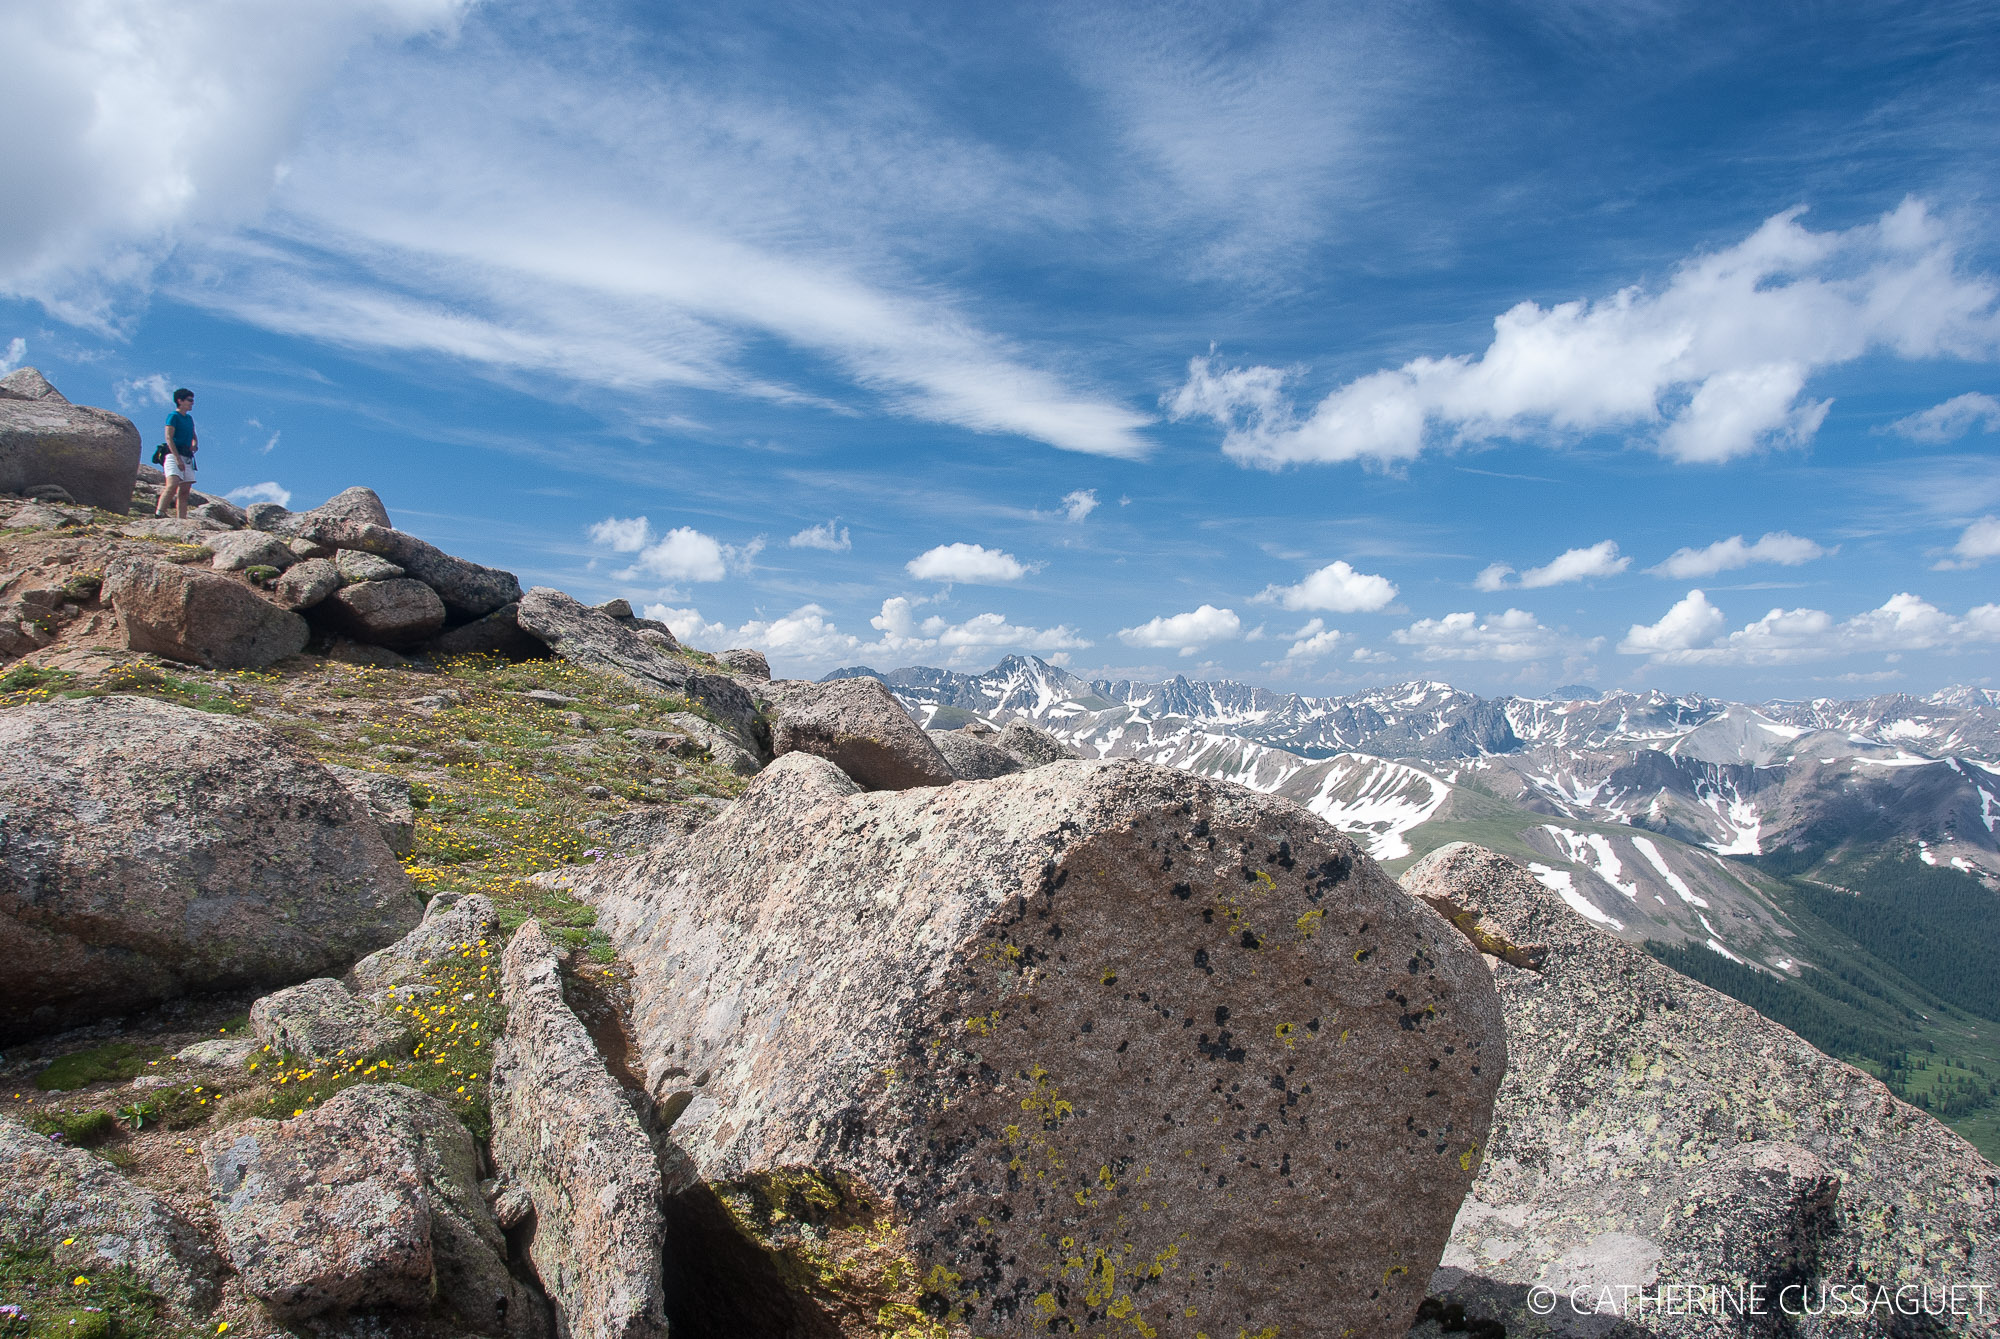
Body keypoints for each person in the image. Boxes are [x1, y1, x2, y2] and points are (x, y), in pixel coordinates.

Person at [157, 388, 197, 519]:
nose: (192, 403)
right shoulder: (173, 416)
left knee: (185, 491)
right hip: (174, 454)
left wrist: (194, 444)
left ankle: (182, 519)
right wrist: (177, 458)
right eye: (189, 400)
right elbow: (169, 437)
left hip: (187, 456)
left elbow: (193, 434)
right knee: (172, 484)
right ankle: (160, 512)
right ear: (180, 401)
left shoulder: (189, 419)